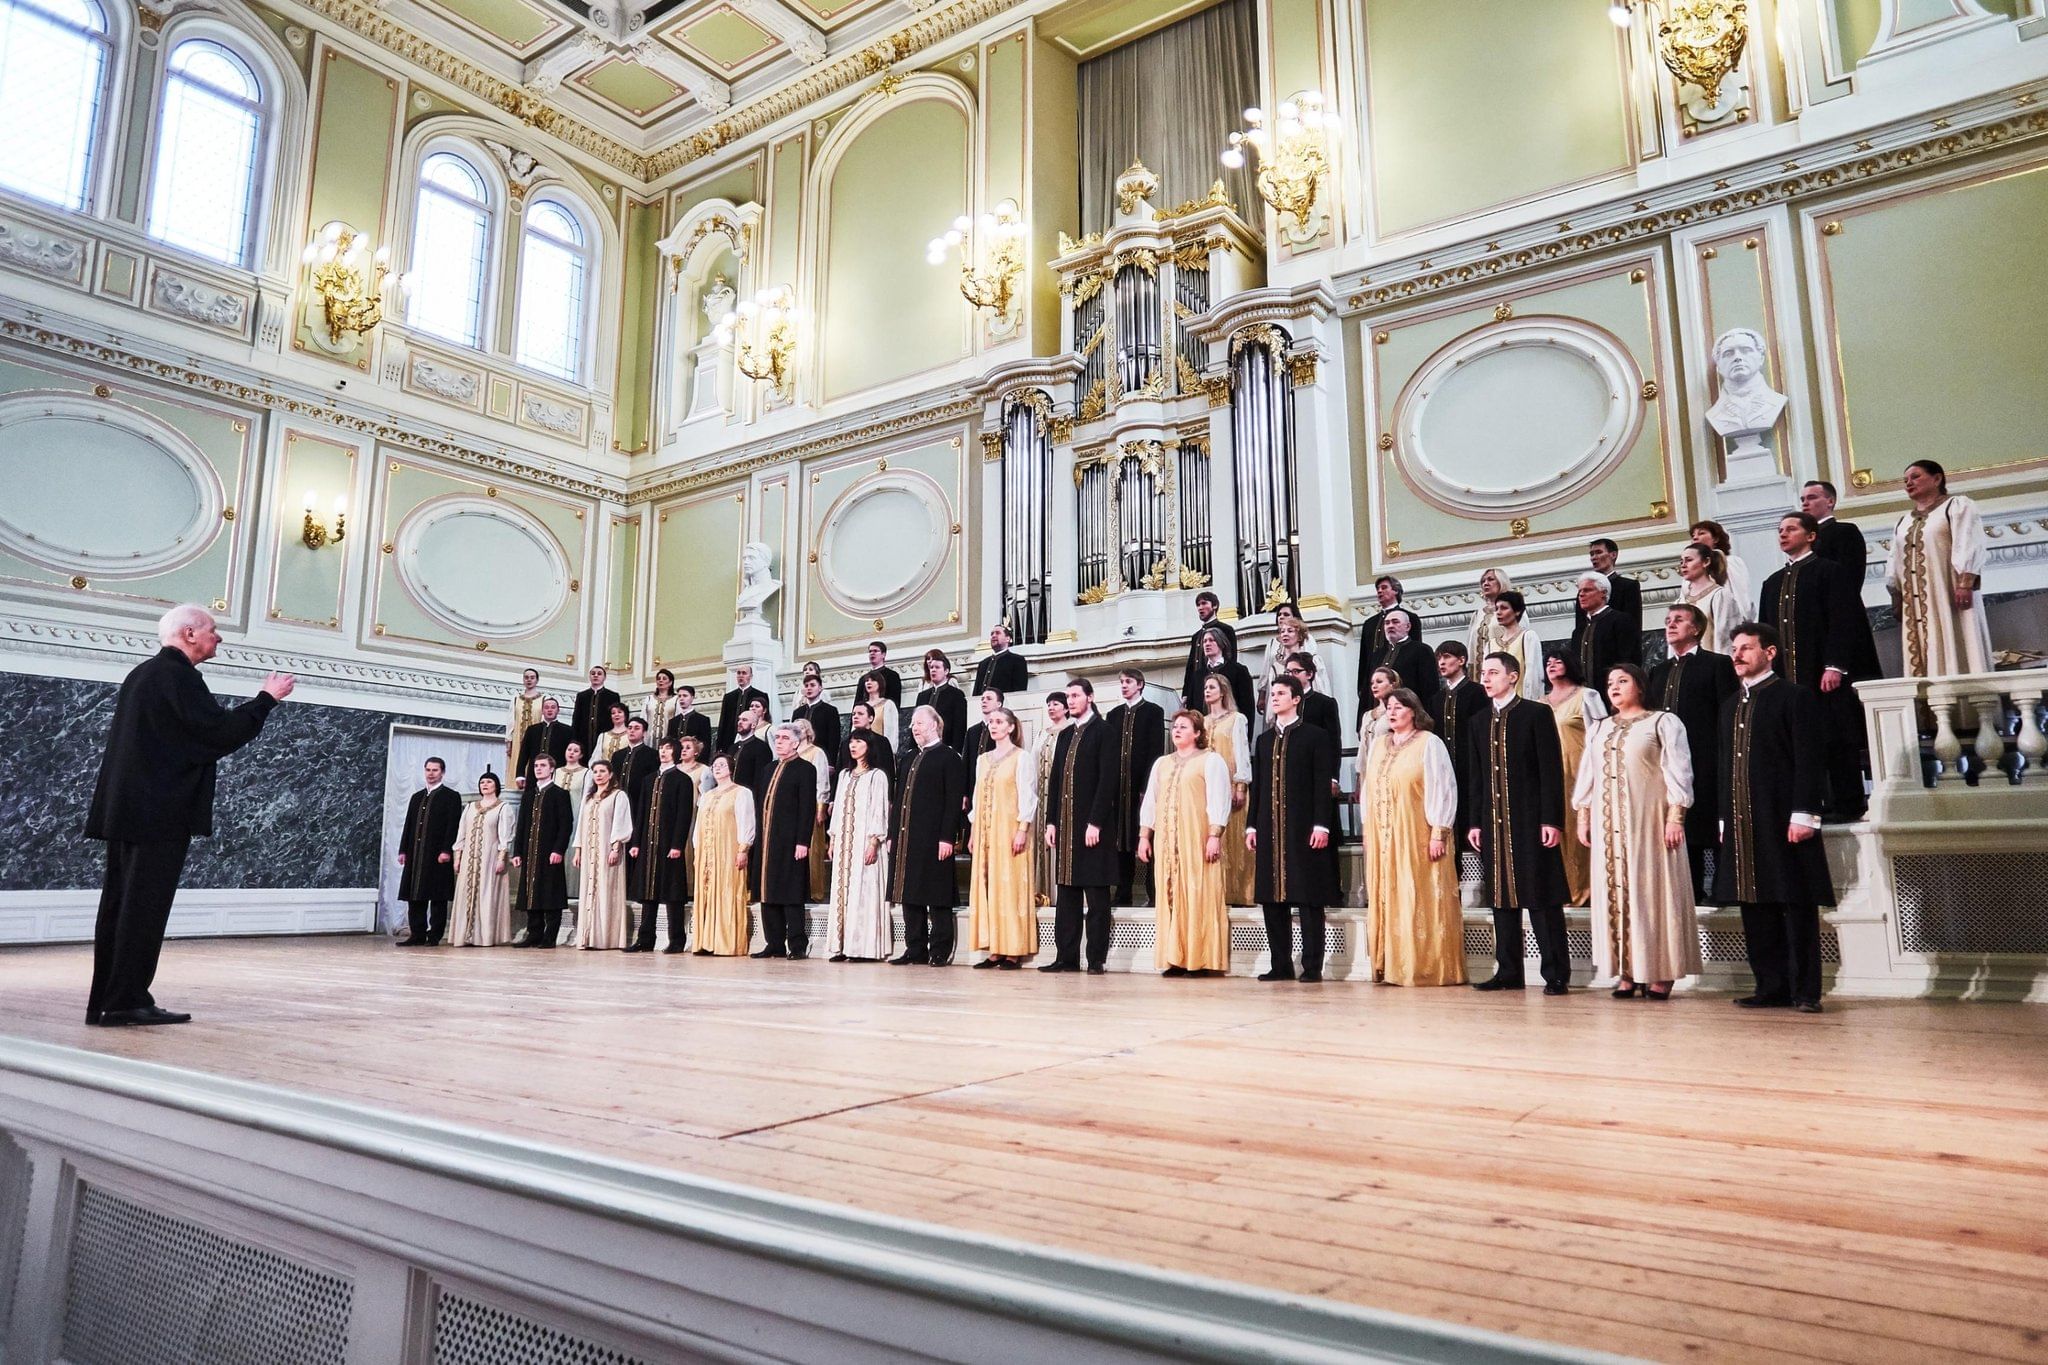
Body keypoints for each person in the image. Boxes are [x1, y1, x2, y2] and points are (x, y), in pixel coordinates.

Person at [84, 604, 294, 1025]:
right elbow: (217, 733)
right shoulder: (177, 677)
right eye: (213, 630)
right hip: (158, 812)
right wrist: (266, 700)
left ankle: (108, 1000)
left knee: (120, 907)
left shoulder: (142, 674)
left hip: (128, 810)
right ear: (189, 633)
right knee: (144, 909)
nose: (218, 638)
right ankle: (126, 1001)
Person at [1715, 624, 1835, 1013]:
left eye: (1746, 648)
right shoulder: (1731, 704)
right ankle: (1770, 986)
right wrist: (1723, 817)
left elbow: (1809, 760)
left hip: (1784, 817)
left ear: (1769, 653)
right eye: (1734, 648)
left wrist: (1805, 813)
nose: (1737, 655)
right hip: (1742, 819)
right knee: (1754, 902)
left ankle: (1805, 991)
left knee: (1794, 903)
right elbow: (1722, 767)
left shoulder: (1794, 697)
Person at [1575, 664, 1701, 1001]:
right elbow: (1587, 775)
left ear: (1640, 686)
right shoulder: (1599, 728)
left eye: (1622, 681)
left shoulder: (1662, 722)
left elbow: (1678, 770)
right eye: (1609, 682)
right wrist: (1583, 816)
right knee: (1615, 889)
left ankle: (1660, 970)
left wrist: (1676, 816)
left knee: (1651, 890)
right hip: (1608, 824)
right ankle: (1627, 970)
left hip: (1649, 821)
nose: (1614, 687)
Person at [1461, 651, 1571, 995]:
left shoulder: (1536, 714)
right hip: (1493, 823)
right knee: (1501, 899)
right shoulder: (1478, 721)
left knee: (1541, 898)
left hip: (1530, 820)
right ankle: (1508, 970)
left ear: (1513, 676)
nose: (1486, 678)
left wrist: (1551, 819)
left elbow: (1552, 771)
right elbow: (1477, 777)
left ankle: (1556, 974)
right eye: (1483, 673)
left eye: (1493, 672)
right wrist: (1475, 822)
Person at [1760, 511, 1871, 821]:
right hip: (1787, 679)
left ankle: (1849, 803)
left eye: (1791, 529)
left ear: (1810, 536)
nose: (1783, 534)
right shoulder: (1772, 583)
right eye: (1780, 530)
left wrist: (1835, 665)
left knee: (1835, 736)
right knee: (1797, 744)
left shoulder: (1829, 572)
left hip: (1820, 673)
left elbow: (1841, 620)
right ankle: (1810, 804)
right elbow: (1766, 633)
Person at [1360, 688, 1465, 988]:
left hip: (1416, 833)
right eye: (1388, 707)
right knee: (1387, 893)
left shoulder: (1429, 743)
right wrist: (1368, 827)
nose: (1392, 712)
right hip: (1383, 836)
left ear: (1413, 711)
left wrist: (1439, 832)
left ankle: (1423, 966)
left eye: (1399, 707)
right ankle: (1389, 964)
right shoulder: (1380, 744)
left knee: (1416, 893)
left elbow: (1443, 787)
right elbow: (1369, 789)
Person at [1247, 676, 1338, 983]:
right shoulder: (1264, 740)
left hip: (1303, 828)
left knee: (1309, 898)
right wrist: (1250, 825)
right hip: (1268, 827)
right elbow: (1258, 786)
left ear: (1296, 698)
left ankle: (1313, 966)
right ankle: (1280, 964)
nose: (1274, 697)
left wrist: (1321, 824)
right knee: (1272, 899)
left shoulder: (1315, 736)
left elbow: (1320, 785)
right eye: (1272, 693)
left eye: (1281, 693)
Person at [1649, 603, 1739, 900]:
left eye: (1679, 620)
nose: (1670, 625)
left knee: (1710, 821)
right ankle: (1691, 890)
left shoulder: (1717, 664)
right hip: (1670, 761)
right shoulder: (1658, 671)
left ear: (1696, 628)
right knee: (1683, 824)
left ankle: (1726, 889)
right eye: (1668, 621)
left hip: (1707, 756)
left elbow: (1728, 712)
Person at [1138, 710, 1233, 977]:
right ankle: (1174, 958)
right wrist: (1145, 835)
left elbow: (1218, 799)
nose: (1176, 730)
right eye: (1175, 726)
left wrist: (1215, 834)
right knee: (1169, 894)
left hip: (1196, 839)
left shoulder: (1210, 760)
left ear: (1198, 733)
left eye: (1183, 727)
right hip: (1167, 842)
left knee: (1196, 891)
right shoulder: (1162, 763)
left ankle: (1199, 958)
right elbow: (1151, 802)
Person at [1888, 458, 1993, 680]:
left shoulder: (1956, 506)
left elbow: (1969, 542)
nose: (1909, 483)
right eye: (1905, 480)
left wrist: (1965, 582)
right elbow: (1895, 560)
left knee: (1955, 640)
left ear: (1937, 478)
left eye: (1915, 477)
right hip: (1914, 604)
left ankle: (1965, 710)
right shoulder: (1903, 521)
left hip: (1948, 594)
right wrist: (1896, 595)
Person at [1041, 678, 1119, 974]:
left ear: (1090, 697)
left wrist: (1095, 822)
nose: (1070, 701)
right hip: (1066, 828)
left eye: (1075, 696)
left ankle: (1096, 959)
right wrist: (1050, 821)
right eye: (1068, 696)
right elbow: (1056, 780)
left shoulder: (1104, 732)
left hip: (1091, 828)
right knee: (1067, 896)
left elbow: (1107, 781)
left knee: (1097, 896)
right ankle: (1066, 957)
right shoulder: (1064, 735)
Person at [889, 705, 967, 967]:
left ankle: (940, 949)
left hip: (934, 837)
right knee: (910, 894)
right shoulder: (909, 757)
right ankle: (915, 948)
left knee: (936, 894)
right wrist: (892, 834)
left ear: (934, 725)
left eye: (919, 723)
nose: (914, 727)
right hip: (907, 836)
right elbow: (899, 799)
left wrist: (947, 837)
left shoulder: (949, 757)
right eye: (912, 723)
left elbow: (953, 801)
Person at [967, 706, 1037, 969]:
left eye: (999, 722)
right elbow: (976, 797)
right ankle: (995, 948)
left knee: (1010, 886)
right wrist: (974, 831)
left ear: (1010, 727)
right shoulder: (983, 759)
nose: (993, 725)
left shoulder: (1021, 757)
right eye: (991, 722)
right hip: (986, 831)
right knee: (989, 885)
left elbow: (1028, 795)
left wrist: (1022, 828)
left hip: (1009, 830)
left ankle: (1013, 949)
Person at [1542, 652, 1607, 907]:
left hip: (1579, 772)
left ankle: (1585, 890)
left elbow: (1602, 734)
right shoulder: (1540, 702)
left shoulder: (1586, 696)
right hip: (1551, 775)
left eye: (1557, 661)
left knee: (1581, 830)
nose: (1551, 665)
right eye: (1548, 663)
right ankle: (1561, 890)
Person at [1805, 480, 1884, 683]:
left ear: (1830, 501)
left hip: (1842, 615)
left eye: (1812, 497)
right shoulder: (1805, 540)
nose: (1805, 503)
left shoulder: (1844, 532)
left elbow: (1850, 578)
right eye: (1803, 499)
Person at [825, 730, 893, 962]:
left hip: (865, 841)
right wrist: (833, 839)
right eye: (851, 741)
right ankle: (841, 945)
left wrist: (874, 842)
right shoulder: (844, 775)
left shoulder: (877, 776)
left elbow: (879, 810)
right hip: (845, 844)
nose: (853, 746)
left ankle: (863, 948)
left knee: (864, 890)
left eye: (859, 741)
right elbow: (837, 812)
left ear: (869, 746)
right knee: (843, 890)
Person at [753, 723, 817, 959]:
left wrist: (803, 841)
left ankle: (797, 945)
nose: (778, 741)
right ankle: (774, 943)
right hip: (767, 841)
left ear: (796, 742)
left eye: (784, 738)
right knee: (767, 892)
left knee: (791, 893)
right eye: (777, 737)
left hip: (790, 841)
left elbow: (806, 808)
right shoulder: (768, 768)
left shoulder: (805, 769)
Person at [625, 741, 694, 954]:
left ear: (675, 752)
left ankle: (676, 940)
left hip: (668, 844)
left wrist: (677, 845)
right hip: (648, 844)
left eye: (667, 749)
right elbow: (642, 813)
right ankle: (645, 939)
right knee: (647, 893)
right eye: (661, 749)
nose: (663, 752)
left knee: (673, 893)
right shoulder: (649, 779)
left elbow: (684, 815)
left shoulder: (682, 779)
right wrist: (636, 842)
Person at [1107, 669, 1166, 907]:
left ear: (1140, 684)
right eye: (1121, 682)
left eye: (1128, 681)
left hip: (1141, 787)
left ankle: (1153, 894)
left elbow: (1155, 751)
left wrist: (1146, 787)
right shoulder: (1113, 715)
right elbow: (1109, 753)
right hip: (1118, 789)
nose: (1124, 685)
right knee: (1121, 840)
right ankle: (1123, 894)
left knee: (1146, 836)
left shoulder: (1153, 712)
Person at [691, 754, 755, 956]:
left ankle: (725, 942)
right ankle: (706, 941)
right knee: (707, 892)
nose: (717, 768)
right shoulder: (707, 796)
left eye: (722, 765)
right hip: (706, 854)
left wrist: (743, 848)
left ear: (730, 769)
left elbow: (746, 821)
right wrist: (697, 850)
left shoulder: (741, 793)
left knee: (726, 890)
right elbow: (698, 825)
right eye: (715, 765)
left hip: (728, 851)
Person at [397, 757, 464, 947]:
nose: (431, 773)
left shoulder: (451, 796)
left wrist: (446, 850)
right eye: (428, 770)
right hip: (415, 853)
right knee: (414, 894)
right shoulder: (416, 797)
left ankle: (434, 935)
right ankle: (417, 934)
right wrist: (403, 849)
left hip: (438, 855)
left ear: (442, 772)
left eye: (435, 770)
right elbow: (409, 825)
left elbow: (453, 826)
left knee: (437, 896)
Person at [1200, 673, 1254, 907]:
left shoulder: (1236, 719)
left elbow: (1241, 751)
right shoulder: (1201, 721)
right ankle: (1216, 894)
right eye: (1205, 688)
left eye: (1211, 687)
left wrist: (1240, 785)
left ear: (1222, 691)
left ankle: (1241, 894)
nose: (1207, 691)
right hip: (1208, 788)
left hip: (1231, 784)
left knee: (1235, 839)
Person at [510, 752, 572, 949]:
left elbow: (565, 824)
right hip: (529, 851)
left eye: (542, 766)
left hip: (549, 852)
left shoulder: (559, 793)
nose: (538, 769)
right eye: (536, 766)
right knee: (531, 892)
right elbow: (522, 825)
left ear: (552, 768)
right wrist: (517, 852)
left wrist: (558, 849)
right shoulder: (529, 795)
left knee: (550, 893)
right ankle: (533, 933)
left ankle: (550, 936)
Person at [446, 772, 514, 948]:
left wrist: (501, 858)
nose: (485, 784)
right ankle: (464, 935)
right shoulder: (470, 807)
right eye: (482, 782)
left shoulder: (503, 807)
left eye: (489, 782)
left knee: (486, 893)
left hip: (489, 857)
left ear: (496, 785)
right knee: (465, 894)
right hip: (469, 857)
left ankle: (484, 937)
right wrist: (457, 858)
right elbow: (461, 834)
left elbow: (504, 836)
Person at [571, 759, 634, 949]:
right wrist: (578, 850)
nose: (598, 775)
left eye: (602, 771)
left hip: (607, 850)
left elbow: (620, 823)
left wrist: (615, 848)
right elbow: (581, 825)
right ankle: (588, 936)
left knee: (607, 890)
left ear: (610, 774)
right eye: (595, 772)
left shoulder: (618, 796)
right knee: (589, 889)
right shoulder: (588, 798)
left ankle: (606, 938)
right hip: (590, 851)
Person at [1430, 642, 1488, 808]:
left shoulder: (1478, 692)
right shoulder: (1437, 699)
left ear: (1461, 660)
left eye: (1446, 657)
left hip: (1471, 768)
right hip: (1445, 769)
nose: (1441, 662)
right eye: (1439, 658)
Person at [1031, 690, 1070, 905]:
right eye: (1049, 704)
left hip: (1059, 796)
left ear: (1066, 708)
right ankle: (1041, 892)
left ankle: (1058, 895)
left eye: (1056, 703)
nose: (1052, 707)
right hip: (1041, 796)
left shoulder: (1070, 731)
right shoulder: (1041, 734)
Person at [1571, 571, 1639, 684]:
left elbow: (1628, 662)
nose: (1581, 595)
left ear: (1603, 593)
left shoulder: (1621, 621)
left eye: (1587, 590)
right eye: (1580, 591)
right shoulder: (1579, 631)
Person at [1180, 590, 1239, 710]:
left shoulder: (1226, 629)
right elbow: (1191, 666)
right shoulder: (1196, 636)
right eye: (1198, 605)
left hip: (1218, 685)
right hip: (1197, 687)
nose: (1200, 608)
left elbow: (1231, 659)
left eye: (1204, 603)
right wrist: (1186, 692)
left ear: (1215, 606)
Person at [796, 718, 834, 904]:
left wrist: (821, 807)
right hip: (793, 809)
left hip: (811, 806)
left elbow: (822, 781)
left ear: (808, 731)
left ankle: (814, 890)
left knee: (813, 850)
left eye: (802, 727)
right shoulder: (792, 753)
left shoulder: (816, 752)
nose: (799, 729)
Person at [1575, 539, 1642, 643]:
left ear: (1613, 555)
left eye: (1598, 552)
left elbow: (1633, 625)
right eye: (1592, 554)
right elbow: (1580, 628)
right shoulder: (1583, 591)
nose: (1594, 557)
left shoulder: (1628, 586)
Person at [1676, 543, 1740, 653]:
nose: (1683, 565)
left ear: (1706, 562)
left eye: (1689, 560)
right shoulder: (1680, 601)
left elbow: (1725, 638)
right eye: (1681, 561)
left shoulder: (1719, 596)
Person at [1257, 604, 1323, 709]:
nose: (1281, 617)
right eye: (1279, 615)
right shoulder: (1272, 643)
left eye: (1286, 614)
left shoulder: (1307, 640)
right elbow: (1266, 670)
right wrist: (1262, 695)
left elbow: (1313, 668)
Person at [1377, 608, 1441, 713]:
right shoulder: (1377, 655)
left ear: (1408, 626)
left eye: (1395, 622)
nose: (1390, 626)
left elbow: (1430, 690)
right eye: (1387, 623)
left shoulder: (1421, 650)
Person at [1692, 519, 1755, 618]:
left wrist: (1744, 620)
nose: (1695, 537)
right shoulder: (1694, 568)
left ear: (1715, 539)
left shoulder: (1731, 562)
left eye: (1701, 533)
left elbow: (1741, 594)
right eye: (1693, 535)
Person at [1192, 626, 1256, 721]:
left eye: (1211, 640)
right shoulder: (1198, 675)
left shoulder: (1238, 671)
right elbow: (1192, 707)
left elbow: (1247, 707)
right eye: (1204, 641)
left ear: (1221, 643)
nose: (1207, 644)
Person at [1490, 591, 1545, 700]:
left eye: (1504, 608)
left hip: (1522, 702)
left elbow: (1533, 674)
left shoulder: (1528, 637)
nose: (1498, 612)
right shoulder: (1491, 644)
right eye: (1496, 609)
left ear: (1517, 611)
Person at [915, 649, 970, 752]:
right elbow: (915, 722)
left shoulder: (956, 694)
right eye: (931, 667)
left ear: (946, 671)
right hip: (923, 748)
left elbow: (959, 726)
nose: (933, 670)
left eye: (937, 667)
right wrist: (912, 748)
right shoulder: (922, 696)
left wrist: (956, 749)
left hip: (946, 746)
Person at [790, 672, 842, 774]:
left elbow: (834, 738)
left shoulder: (830, 710)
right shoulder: (798, 712)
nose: (809, 688)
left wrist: (831, 762)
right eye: (806, 686)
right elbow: (793, 735)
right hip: (799, 755)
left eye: (812, 685)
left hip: (821, 756)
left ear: (820, 688)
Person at [514, 696, 570, 790]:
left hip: (556, 775)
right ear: (542, 710)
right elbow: (524, 753)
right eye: (546, 707)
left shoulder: (567, 731)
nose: (549, 710)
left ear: (558, 710)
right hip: (534, 775)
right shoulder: (532, 730)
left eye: (553, 707)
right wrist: (520, 775)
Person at [715, 664, 771, 755]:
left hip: (750, 738)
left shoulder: (760, 695)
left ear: (750, 676)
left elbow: (765, 718)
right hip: (729, 740)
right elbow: (723, 721)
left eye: (744, 673)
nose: (741, 676)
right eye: (739, 673)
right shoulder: (729, 697)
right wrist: (719, 746)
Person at [1286, 653, 1343, 740]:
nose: (1290, 676)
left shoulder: (1325, 703)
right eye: (1287, 672)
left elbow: (1333, 740)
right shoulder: (1283, 702)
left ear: (1309, 674)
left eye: (1296, 672)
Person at [841, 699, 896, 790]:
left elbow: (889, 771)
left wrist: (889, 797)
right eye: (854, 714)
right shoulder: (846, 742)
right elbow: (841, 769)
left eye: (860, 714)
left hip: (874, 791)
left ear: (871, 718)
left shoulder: (882, 742)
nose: (855, 717)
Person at [571, 665, 623, 761]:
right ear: (589, 676)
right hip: (583, 737)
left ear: (604, 677)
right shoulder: (582, 696)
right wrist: (574, 739)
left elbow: (616, 718)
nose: (596, 676)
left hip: (604, 735)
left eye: (599, 674)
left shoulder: (612, 696)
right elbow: (576, 718)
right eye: (593, 673)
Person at [1356, 665, 1400, 774]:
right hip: (1369, 772)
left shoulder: (1398, 713)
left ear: (1392, 685)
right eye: (1372, 683)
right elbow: (1362, 748)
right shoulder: (1367, 715)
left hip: (1391, 770)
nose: (1374, 686)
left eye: (1379, 682)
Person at [610, 715, 659, 808]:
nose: (632, 731)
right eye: (630, 728)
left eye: (637, 728)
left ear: (644, 733)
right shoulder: (617, 755)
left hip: (639, 803)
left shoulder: (652, 755)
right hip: (617, 801)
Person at [1466, 569, 1515, 663]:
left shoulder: (1514, 610)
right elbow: (1470, 646)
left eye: (1490, 579)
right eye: (1483, 581)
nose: (1486, 583)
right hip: (1478, 671)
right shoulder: (1477, 614)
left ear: (1501, 582)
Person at [973, 623, 1029, 696]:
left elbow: (1019, 690)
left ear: (1008, 638)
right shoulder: (983, 664)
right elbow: (976, 691)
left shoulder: (1017, 660)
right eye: (992, 634)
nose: (993, 636)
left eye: (998, 633)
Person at [506, 669, 545, 774]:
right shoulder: (516, 699)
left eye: (532, 677)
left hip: (536, 739)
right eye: (526, 677)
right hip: (518, 738)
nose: (529, 680)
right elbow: (511, 721)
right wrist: (509, 741)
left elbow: (543, 721)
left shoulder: (543, 699)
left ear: (537, 680)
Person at [665, 683, 712, 756]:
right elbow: (670, 743)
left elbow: (706, 745)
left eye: (685, 696)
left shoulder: (702, 720)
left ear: (692, 697)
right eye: (679, 696)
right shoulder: (673, 721)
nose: (681, 698)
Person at [860, 671, 900, 753]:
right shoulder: (861, 707)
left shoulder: (888, 704)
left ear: (880, 683)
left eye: (872, 680)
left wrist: (890, 751)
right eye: (867, 681)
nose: (869, 683)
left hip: (881, 750)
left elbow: (892, 731)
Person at [642, 669, 682, 749]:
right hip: (649, 739)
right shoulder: (649, 699)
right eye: (659, 679)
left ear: (670, 682)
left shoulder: (676, 699)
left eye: (664, 678)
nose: (661, 680)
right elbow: (643, 718)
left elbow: (679, 718)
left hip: (668, 738)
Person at [860, 640, 904, 711]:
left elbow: (895, 701)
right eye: (870, 651)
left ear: (883, 654)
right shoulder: (863, 678)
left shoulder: (892, 676)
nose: (872, 653)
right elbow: (858, 702)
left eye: (875, 651)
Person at [594, 701, 633, 770]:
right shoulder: (603, 736)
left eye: (619, 712)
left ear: (625, 715)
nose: (616, 715)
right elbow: (596, 757)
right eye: (613, 713)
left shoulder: (631, 734)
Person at [555, 741, 590, 806]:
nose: (571, 752)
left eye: (576, 751)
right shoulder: (557, 772)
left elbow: (587, 795)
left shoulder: (586, 772)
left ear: (581, 755)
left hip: (576, 809)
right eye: (569, 750)